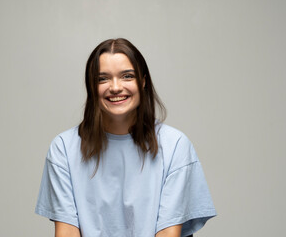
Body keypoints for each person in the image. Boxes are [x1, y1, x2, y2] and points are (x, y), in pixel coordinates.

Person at [35, 38, 216, 237]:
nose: (115, 87)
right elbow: (67, 232)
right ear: (91, 87)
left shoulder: (175, 146)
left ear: (143, 81)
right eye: (102, 79)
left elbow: (167, 234)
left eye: (127, 76)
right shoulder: (63, 148)